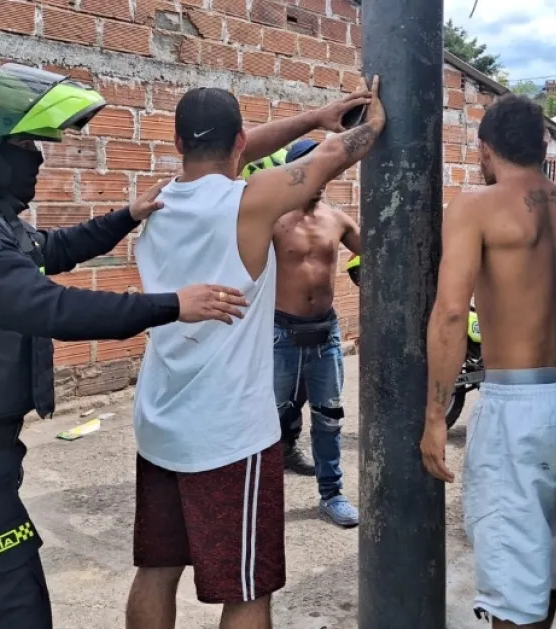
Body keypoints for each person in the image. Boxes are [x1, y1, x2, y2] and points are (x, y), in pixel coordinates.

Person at [0, 63, 249, 629]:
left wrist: (128, 215)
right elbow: (46, 306)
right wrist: (170, 304)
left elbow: (52, 248)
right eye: (22, 144)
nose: (35, 158)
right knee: (2, 610)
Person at [126, 78, 385, 629]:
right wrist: (372, 124)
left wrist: (318, 115)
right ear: (240, 143)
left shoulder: (156, 201)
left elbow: (238, 151)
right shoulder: (251, 200)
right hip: (228, 436)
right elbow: (332, 158)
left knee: (156, 568)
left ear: (176, 143)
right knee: (248, 591)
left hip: (160, 422)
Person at [420, 94, 556, 629]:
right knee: (547, 568)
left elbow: (453, 314)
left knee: (510, 576)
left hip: (521, 406)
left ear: (484, 149)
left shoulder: (475, 207)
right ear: (545, 144)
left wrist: (435, 417)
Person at [259, 138, 362, 527]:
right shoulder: (273, 220)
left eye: (324, 167)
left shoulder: (337, 220)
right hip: (280, 333)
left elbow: (376, 251)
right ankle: (261, 497)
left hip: (325, 334)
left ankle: (331, 493)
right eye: (308, 167)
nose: (317, 176)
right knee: (268, 419)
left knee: (330, 416)